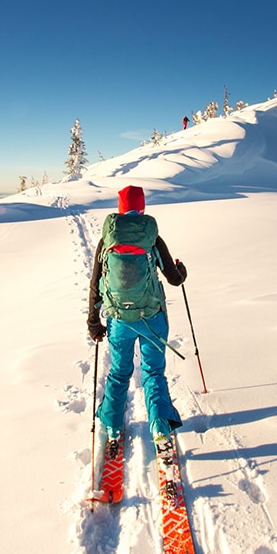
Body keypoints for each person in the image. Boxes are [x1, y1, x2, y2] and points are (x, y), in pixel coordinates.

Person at [87, 185, 188, 441]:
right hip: (152, 317)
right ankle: (161, 429)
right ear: (142, 207)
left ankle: (112, 427)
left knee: (120, 372)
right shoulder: (152, 236)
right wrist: (181, 270)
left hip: (120, 319)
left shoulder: (107, 240)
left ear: (120, 208)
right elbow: (174, 279)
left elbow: (96, 281)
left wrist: (93, 321)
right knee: (153, 372)